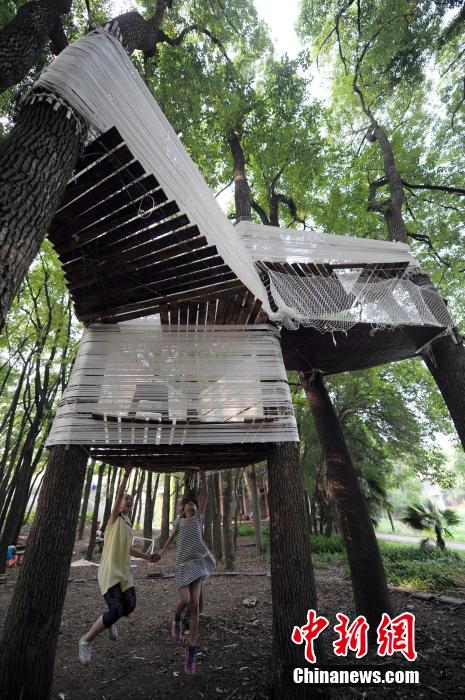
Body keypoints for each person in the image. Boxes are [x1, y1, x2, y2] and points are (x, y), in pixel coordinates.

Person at [79, 465, 159, 665]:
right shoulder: (114, 519)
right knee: (115, 610)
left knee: (130, 606)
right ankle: (86, 640)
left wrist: (147, 557)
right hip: (109, 572)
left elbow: (128, 550)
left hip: (124, 573)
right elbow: (120, 493)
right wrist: (126, 474)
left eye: (131, 500)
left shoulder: (128, 523)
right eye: (126, 499)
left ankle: (110, 621)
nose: (128, 501)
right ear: (119, 503)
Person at [157, 470, 215, 674]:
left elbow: (205, 496)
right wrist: (162, 553)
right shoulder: (179, 522)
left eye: (194, 503)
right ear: (183, 509)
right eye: (188, 503)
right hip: (182, 565)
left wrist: (204, 475)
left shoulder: (199, 518)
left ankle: (191, 648)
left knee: (195, 604)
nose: (192, 504)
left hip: (197, 564)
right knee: (184, 600)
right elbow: (170, 538)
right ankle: (176, 615)